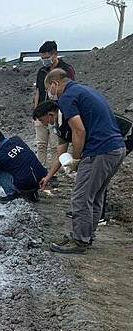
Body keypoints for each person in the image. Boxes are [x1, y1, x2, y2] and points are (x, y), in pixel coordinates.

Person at [42, 68, 126, 254]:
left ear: (55, 84)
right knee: (95, 196)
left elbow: (79, 131)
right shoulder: (85, 90)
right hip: (116, 148)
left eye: (49, 88)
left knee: (81, 196)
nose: (50, 93)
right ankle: (86, 235)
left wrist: (78, 159)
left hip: (100, 150)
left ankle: (80, 240)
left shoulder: (67, 97)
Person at [33, 41, 75, 168]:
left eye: (46, 57)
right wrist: (35, 113)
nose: (44, 60)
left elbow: (69, 91)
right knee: (41, 144)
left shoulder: (66, 70)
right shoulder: (41, 72)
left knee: (54, 144)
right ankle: (41, 168)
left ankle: (54, 169)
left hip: (56, 112)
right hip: (42, 113)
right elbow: (38, 92)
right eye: (42, 58)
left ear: (55, 54)